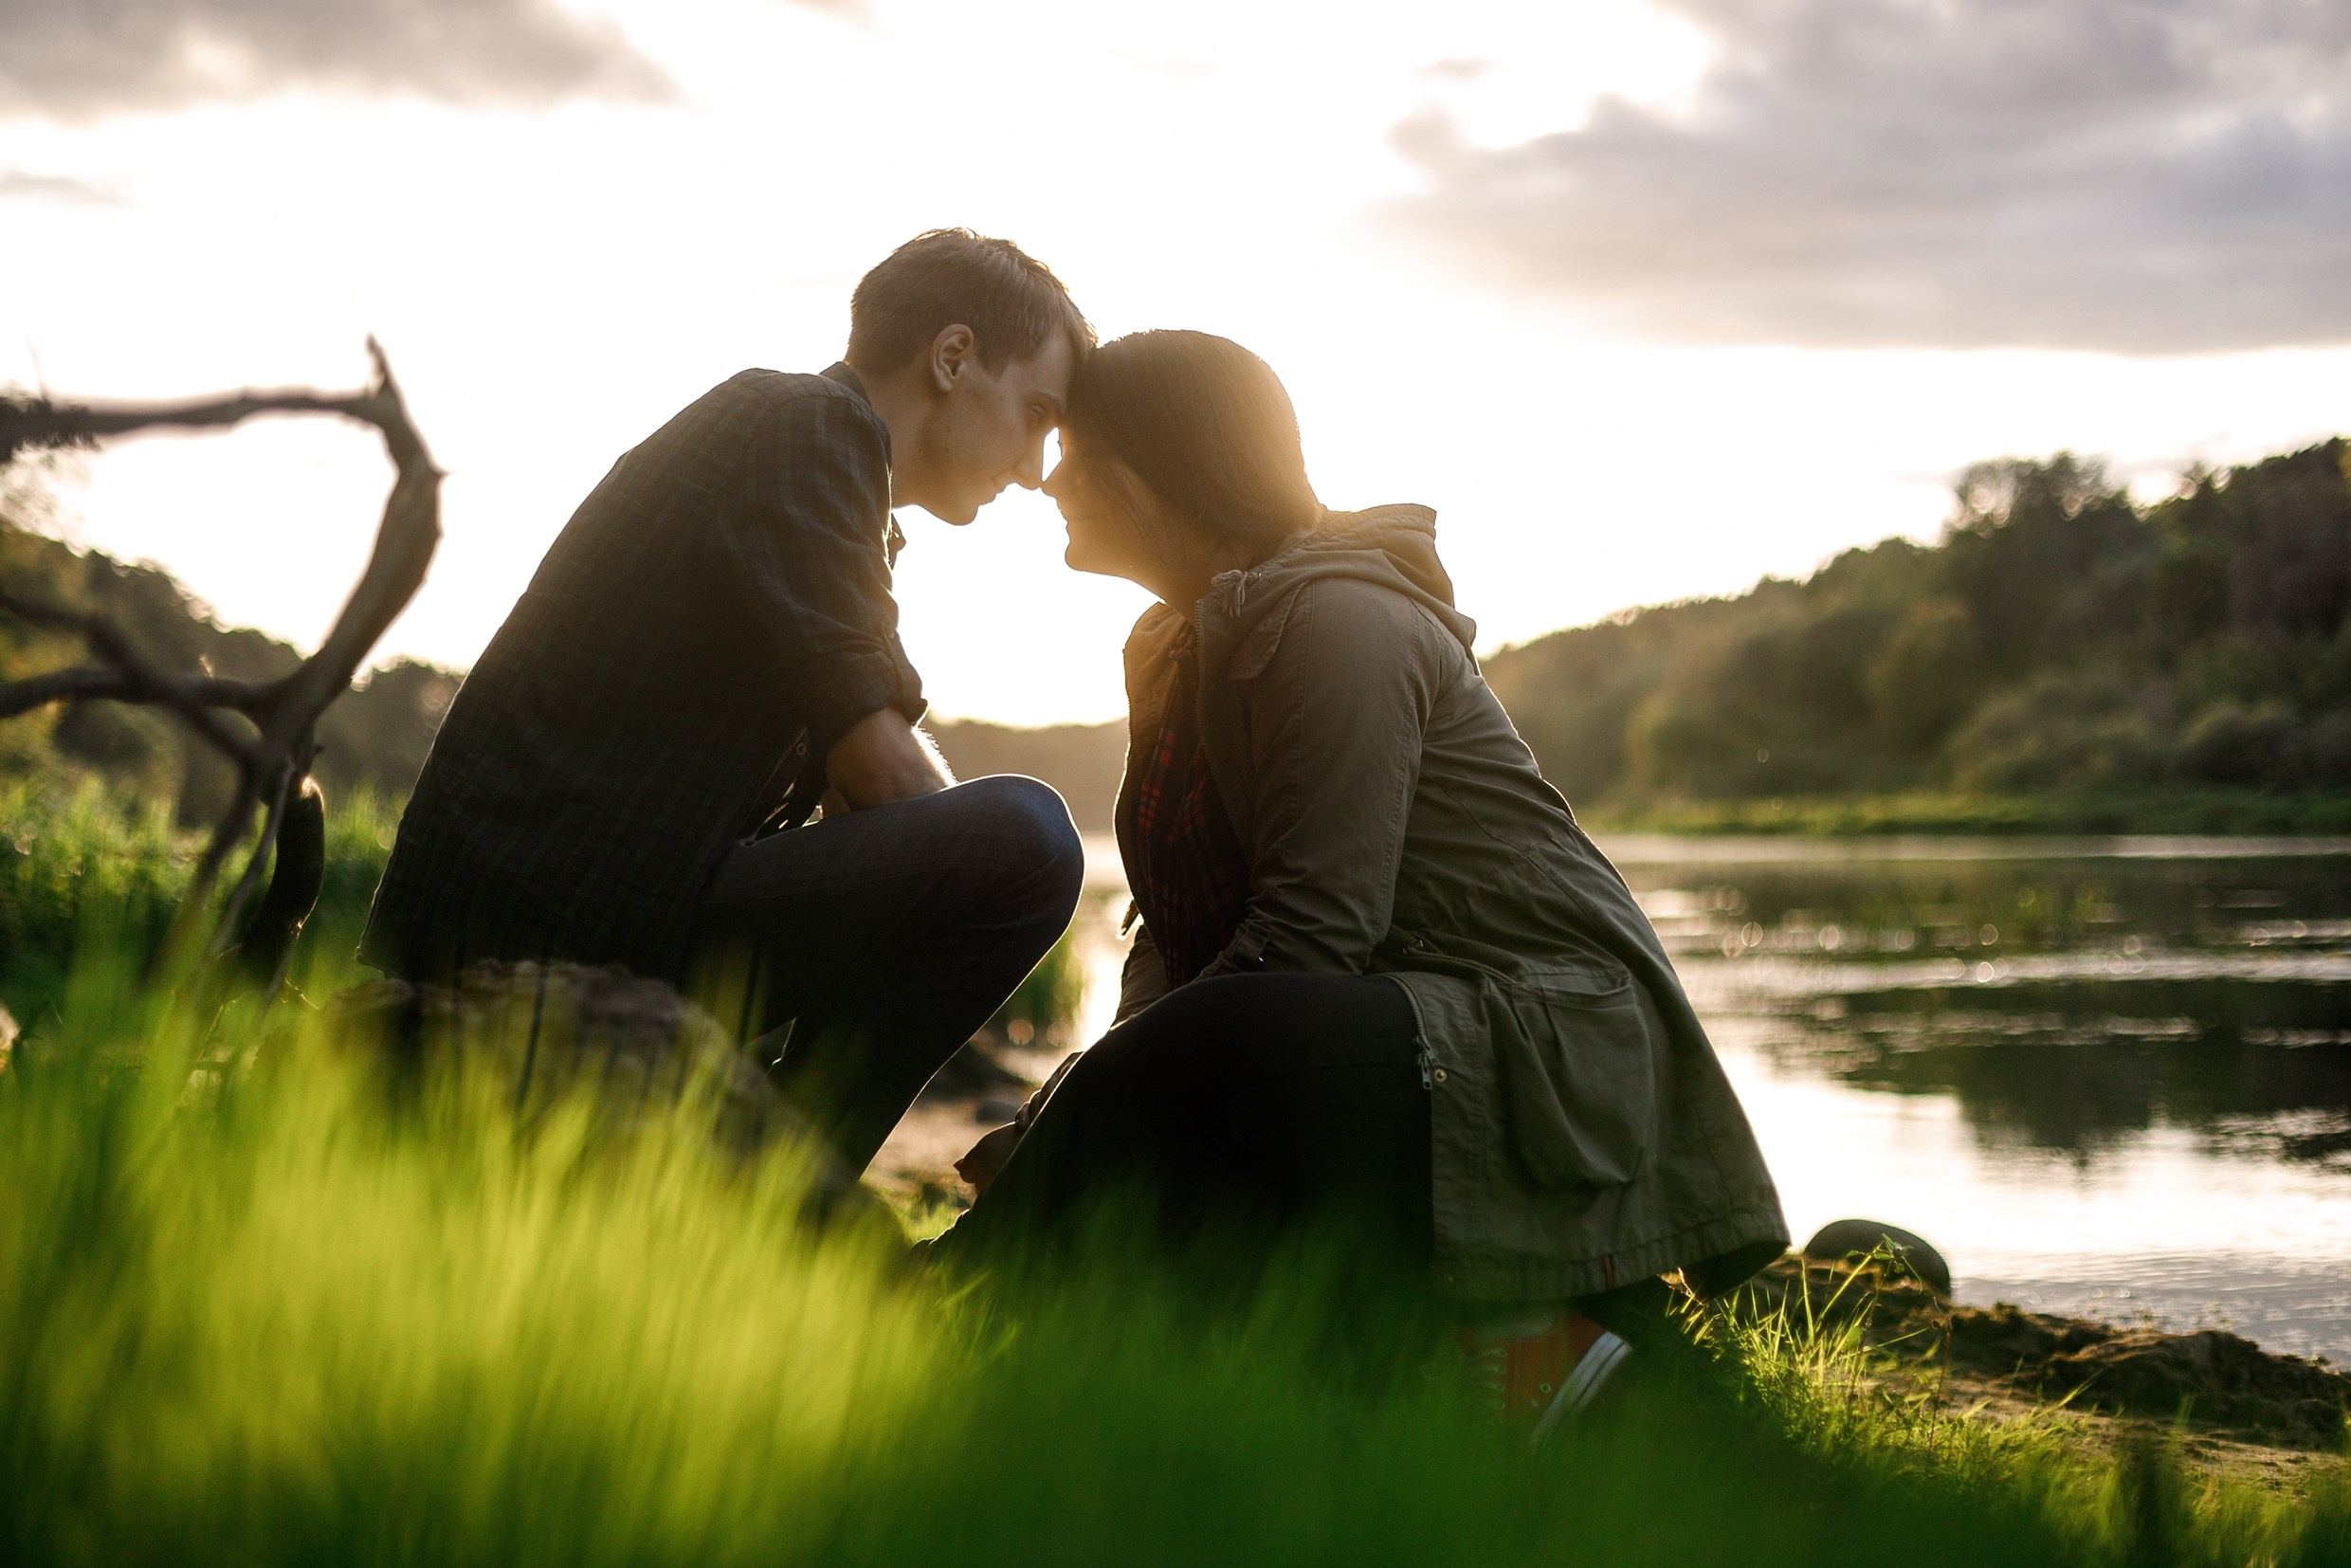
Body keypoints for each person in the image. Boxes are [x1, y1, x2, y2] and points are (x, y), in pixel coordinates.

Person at [936, 330, 1787, 1434]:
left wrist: (1086, 1115)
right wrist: (1091, 1099)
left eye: (1076, 450)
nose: (1048, 477)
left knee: (1214, 1047)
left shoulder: (1339, 620)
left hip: (1526, 1039)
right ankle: (1451, 1354)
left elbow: (1306, 937)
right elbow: (1169, 931)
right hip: (1391, 1025)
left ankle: (933, 1301)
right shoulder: (1173, 644)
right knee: (1163, 1130)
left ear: (1150, 469)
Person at [359, 229, 1091, 1178]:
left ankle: (754, 1161)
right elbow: (880, 770)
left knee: (998, 838)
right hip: (557, 918)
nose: (1035, 466)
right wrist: (964, 874)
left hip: (583, 907)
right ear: (951, 356)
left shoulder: (825, 471)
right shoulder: (805, 427)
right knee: (1026, 842)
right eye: (1035, 412)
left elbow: (852, 788)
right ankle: (778, 1189)